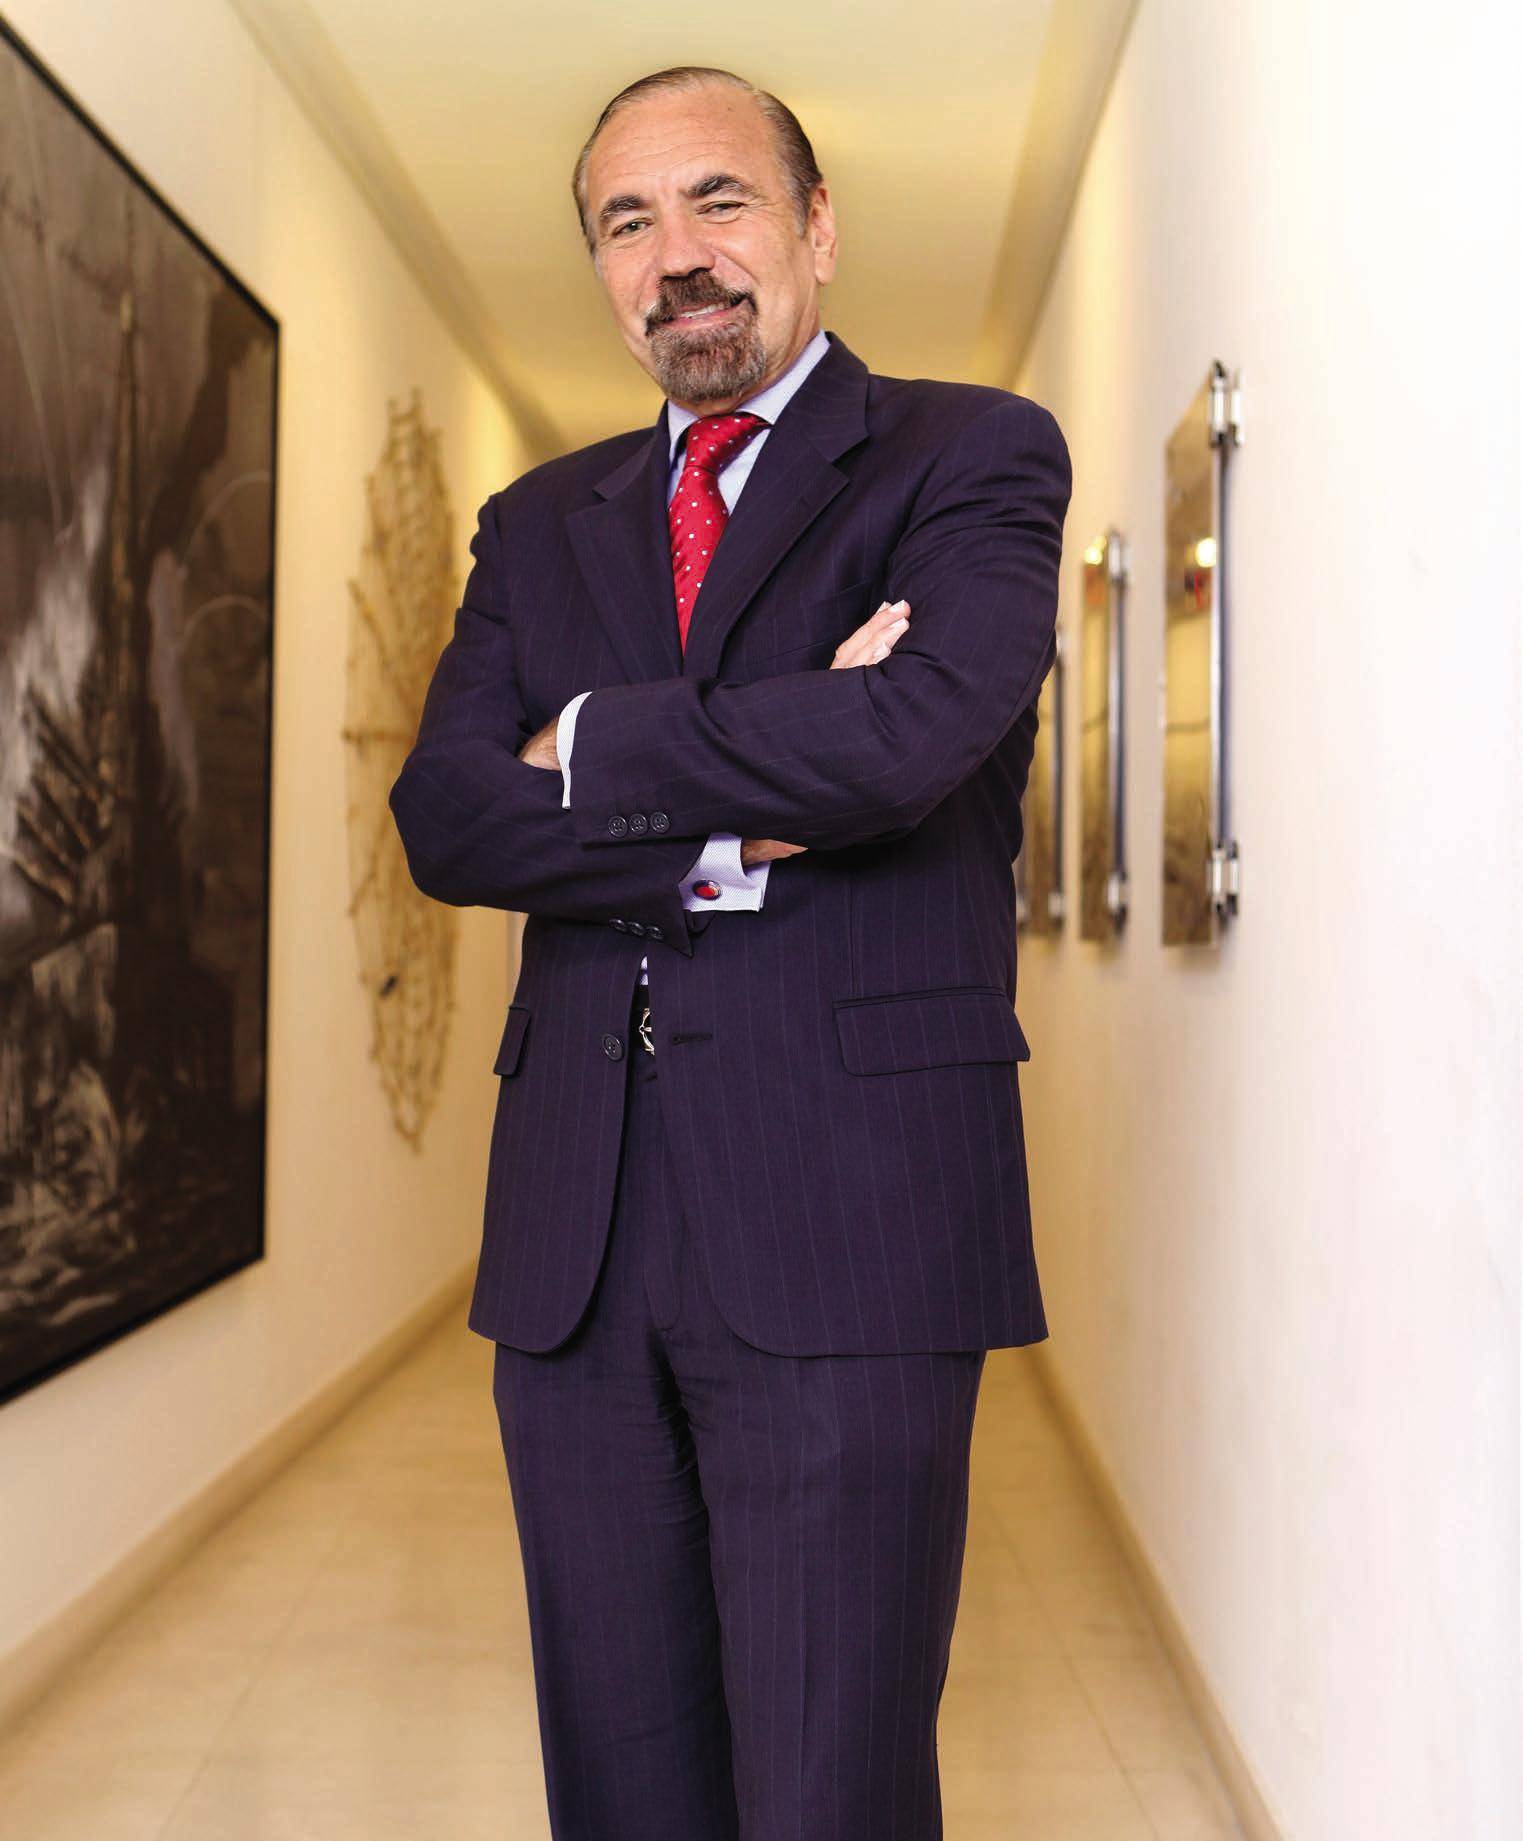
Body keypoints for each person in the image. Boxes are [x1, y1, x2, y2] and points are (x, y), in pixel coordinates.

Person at [389, 62, 1071, 1841]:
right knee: (621, 1785)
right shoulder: (540, 523)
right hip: (578, 1238)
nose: (676, 254)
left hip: (851, 1226)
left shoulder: (970, 455)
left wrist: (586, 746)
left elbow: (906, 743)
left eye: (719, 201)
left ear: (818, 227)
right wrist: (749, 805)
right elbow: (449, 817)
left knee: (832, 1786)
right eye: (628, 221)